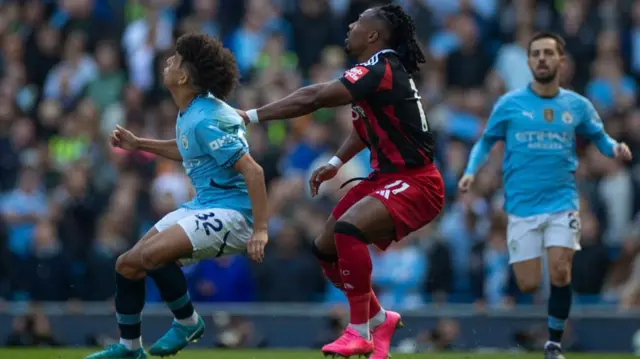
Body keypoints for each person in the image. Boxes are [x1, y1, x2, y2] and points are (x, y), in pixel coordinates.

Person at [239, 4, 444, 358]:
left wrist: (251, 115)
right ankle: (380, 319)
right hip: (387, 177)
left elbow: (314, 98)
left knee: (348, 230)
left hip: (416, 182)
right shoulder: (376, 73)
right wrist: (336, 162)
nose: (350, 25)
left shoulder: (380, 67)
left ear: (374, 35)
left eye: (358, 22)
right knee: (324, 246)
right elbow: (366, 128)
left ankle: (358, 330)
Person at [86, 33, 269, 359]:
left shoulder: (207, 117)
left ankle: (187, 322)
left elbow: (253, 171)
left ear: (183, 76)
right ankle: (130, 349)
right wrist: (139, 144)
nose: (167, 63)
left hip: (234, 213)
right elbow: (187, 149)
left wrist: (261, 230)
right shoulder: (192, 111)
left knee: (153, 255)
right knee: (127, 264)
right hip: (205, 205)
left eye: (173, 60)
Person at [458, 32, 632, 359]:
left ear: (561, 62)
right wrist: (470, 171)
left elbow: (599, 135)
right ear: (528, 62)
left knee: (560, 271)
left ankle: (553, 343)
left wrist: (615, 148)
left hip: (562, 202)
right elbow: (485, 142)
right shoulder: (510, 104)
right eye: (535, 53)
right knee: (526, 282)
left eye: (548, 53)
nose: (541, 59)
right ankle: (545, 315)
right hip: (522, 206)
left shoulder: (577, 105)